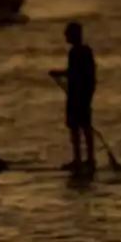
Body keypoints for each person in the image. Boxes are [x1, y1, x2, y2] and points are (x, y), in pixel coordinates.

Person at [49, 22, 97, 171]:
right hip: (80, 94)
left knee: (79, 127)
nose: (65, 37)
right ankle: (86, 159)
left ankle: (83, 159)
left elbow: (75, 73)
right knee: (81, 127)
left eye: (67, 34)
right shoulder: (84, 51)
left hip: (78, 96)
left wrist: (58, 74)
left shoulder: (76, 53)